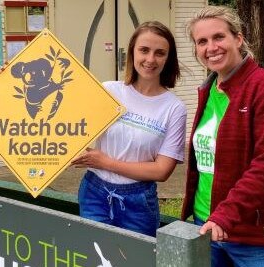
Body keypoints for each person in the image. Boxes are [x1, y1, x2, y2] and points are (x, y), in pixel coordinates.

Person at [181, 6, 264, 266]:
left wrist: (225, 215)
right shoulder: (210, 88)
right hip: (205, 223)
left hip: (250, 234)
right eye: (201, 41)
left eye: (219, 37)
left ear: (238, 38)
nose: (211, 47)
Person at [71, 21, 187, 237]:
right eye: (144, 50)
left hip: (138, 201)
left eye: (160, 53)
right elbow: (60, 114)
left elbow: (161, 171)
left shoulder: (174, 108)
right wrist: (10, 82)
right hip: (94, 193)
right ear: (132, 51)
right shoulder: (109, 90)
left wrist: (105, 162)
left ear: (168, 59)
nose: (150, 59)